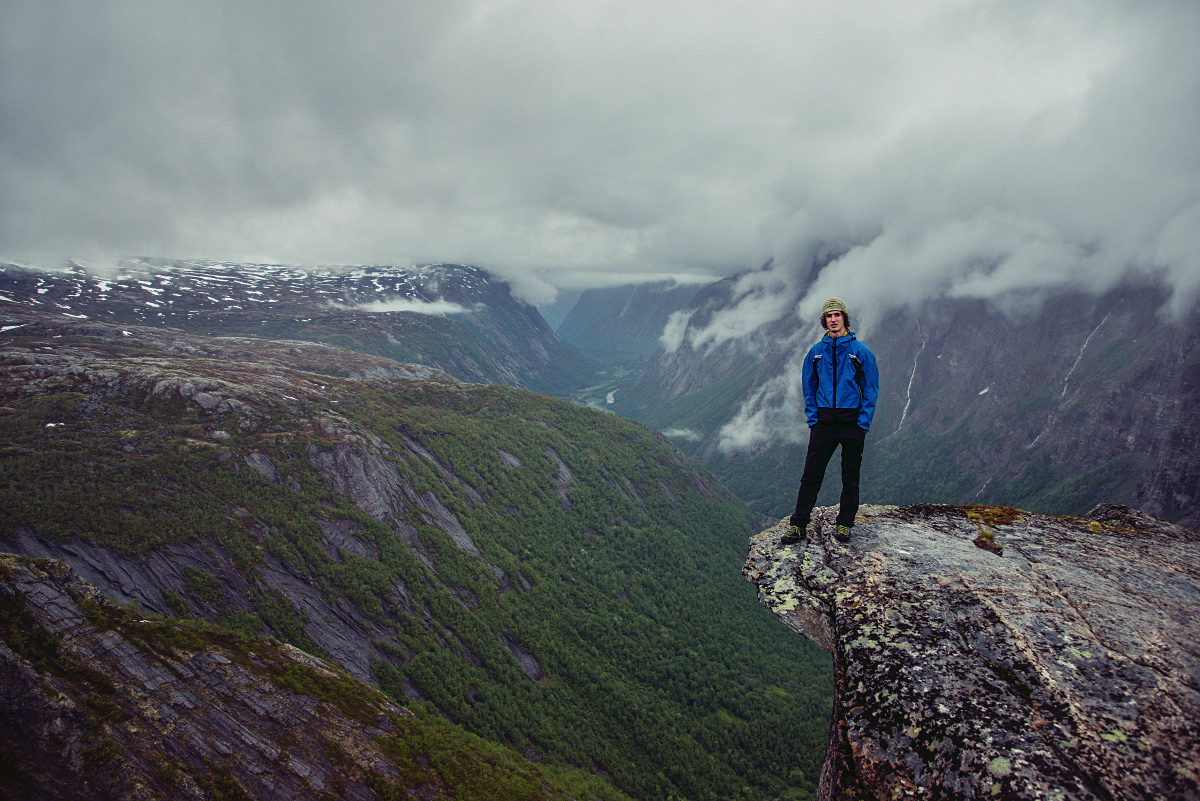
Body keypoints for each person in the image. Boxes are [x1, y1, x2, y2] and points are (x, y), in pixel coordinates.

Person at [781, 297, 879, 545]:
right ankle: (798, 526)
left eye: (837, 315)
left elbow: (871, 388)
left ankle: (845, 524)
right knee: (811, 475)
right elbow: (808, 386)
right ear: (823, 321)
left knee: (850, 477)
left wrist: (863, 422)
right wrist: (813, 419)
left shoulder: (861, 352)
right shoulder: (816, 353)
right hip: (824, 423)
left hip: (852, 423)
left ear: (845, 319)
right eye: (829, 316)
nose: (833, 319)